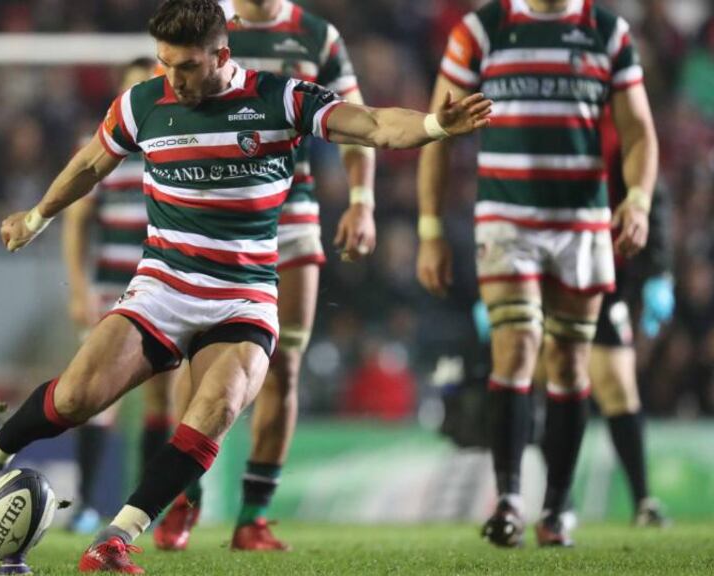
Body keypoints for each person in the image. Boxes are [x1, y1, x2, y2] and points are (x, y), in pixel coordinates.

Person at [0, 0, 490, 571]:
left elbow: (370, 125)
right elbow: (91, 164)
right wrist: (36, 217)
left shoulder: (280, 98)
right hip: (163, 288)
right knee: (76, 397)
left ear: (222, 54)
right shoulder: (143, 102)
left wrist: (435, 124)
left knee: (216, 404)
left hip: (242, 296)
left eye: (187, 67)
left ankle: (116, 539)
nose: (173, 78)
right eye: (165, 64)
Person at [417, 0, 658, 548]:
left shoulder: (607, 31)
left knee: (571, 365)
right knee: (518, 347)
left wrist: (638, 200)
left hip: (580, 223)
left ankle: (556, 508)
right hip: (508, 220)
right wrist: (430, 228)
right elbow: (438, 128)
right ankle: (507, 500)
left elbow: (640, 131)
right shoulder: (483, 28)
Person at [153, 0, 376, 552]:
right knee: (199, 363)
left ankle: (252, 517)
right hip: (210, 211)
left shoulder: (317, 36)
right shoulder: (206, 21)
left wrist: (363, 200)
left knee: (285, 367)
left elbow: (356, 118)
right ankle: (184, 495)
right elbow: (161, 94)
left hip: (291, 214)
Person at [61, 57, 176, 534]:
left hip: (166, 290)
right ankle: (87, 504)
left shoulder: (174, 146)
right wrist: (78, 287)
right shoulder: (103, 148)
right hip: (112, 291)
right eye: (133, 88)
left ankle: (143, 510)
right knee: (96, 398)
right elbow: (76, 220)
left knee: (160, 401)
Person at [580, 104, 673, 527]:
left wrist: (659, 271)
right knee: (547, 378)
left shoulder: (621, 117)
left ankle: (642, 500)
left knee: (617, 382)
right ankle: (551, 504)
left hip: (602, 274)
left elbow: (653, 190)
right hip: (540, 267)